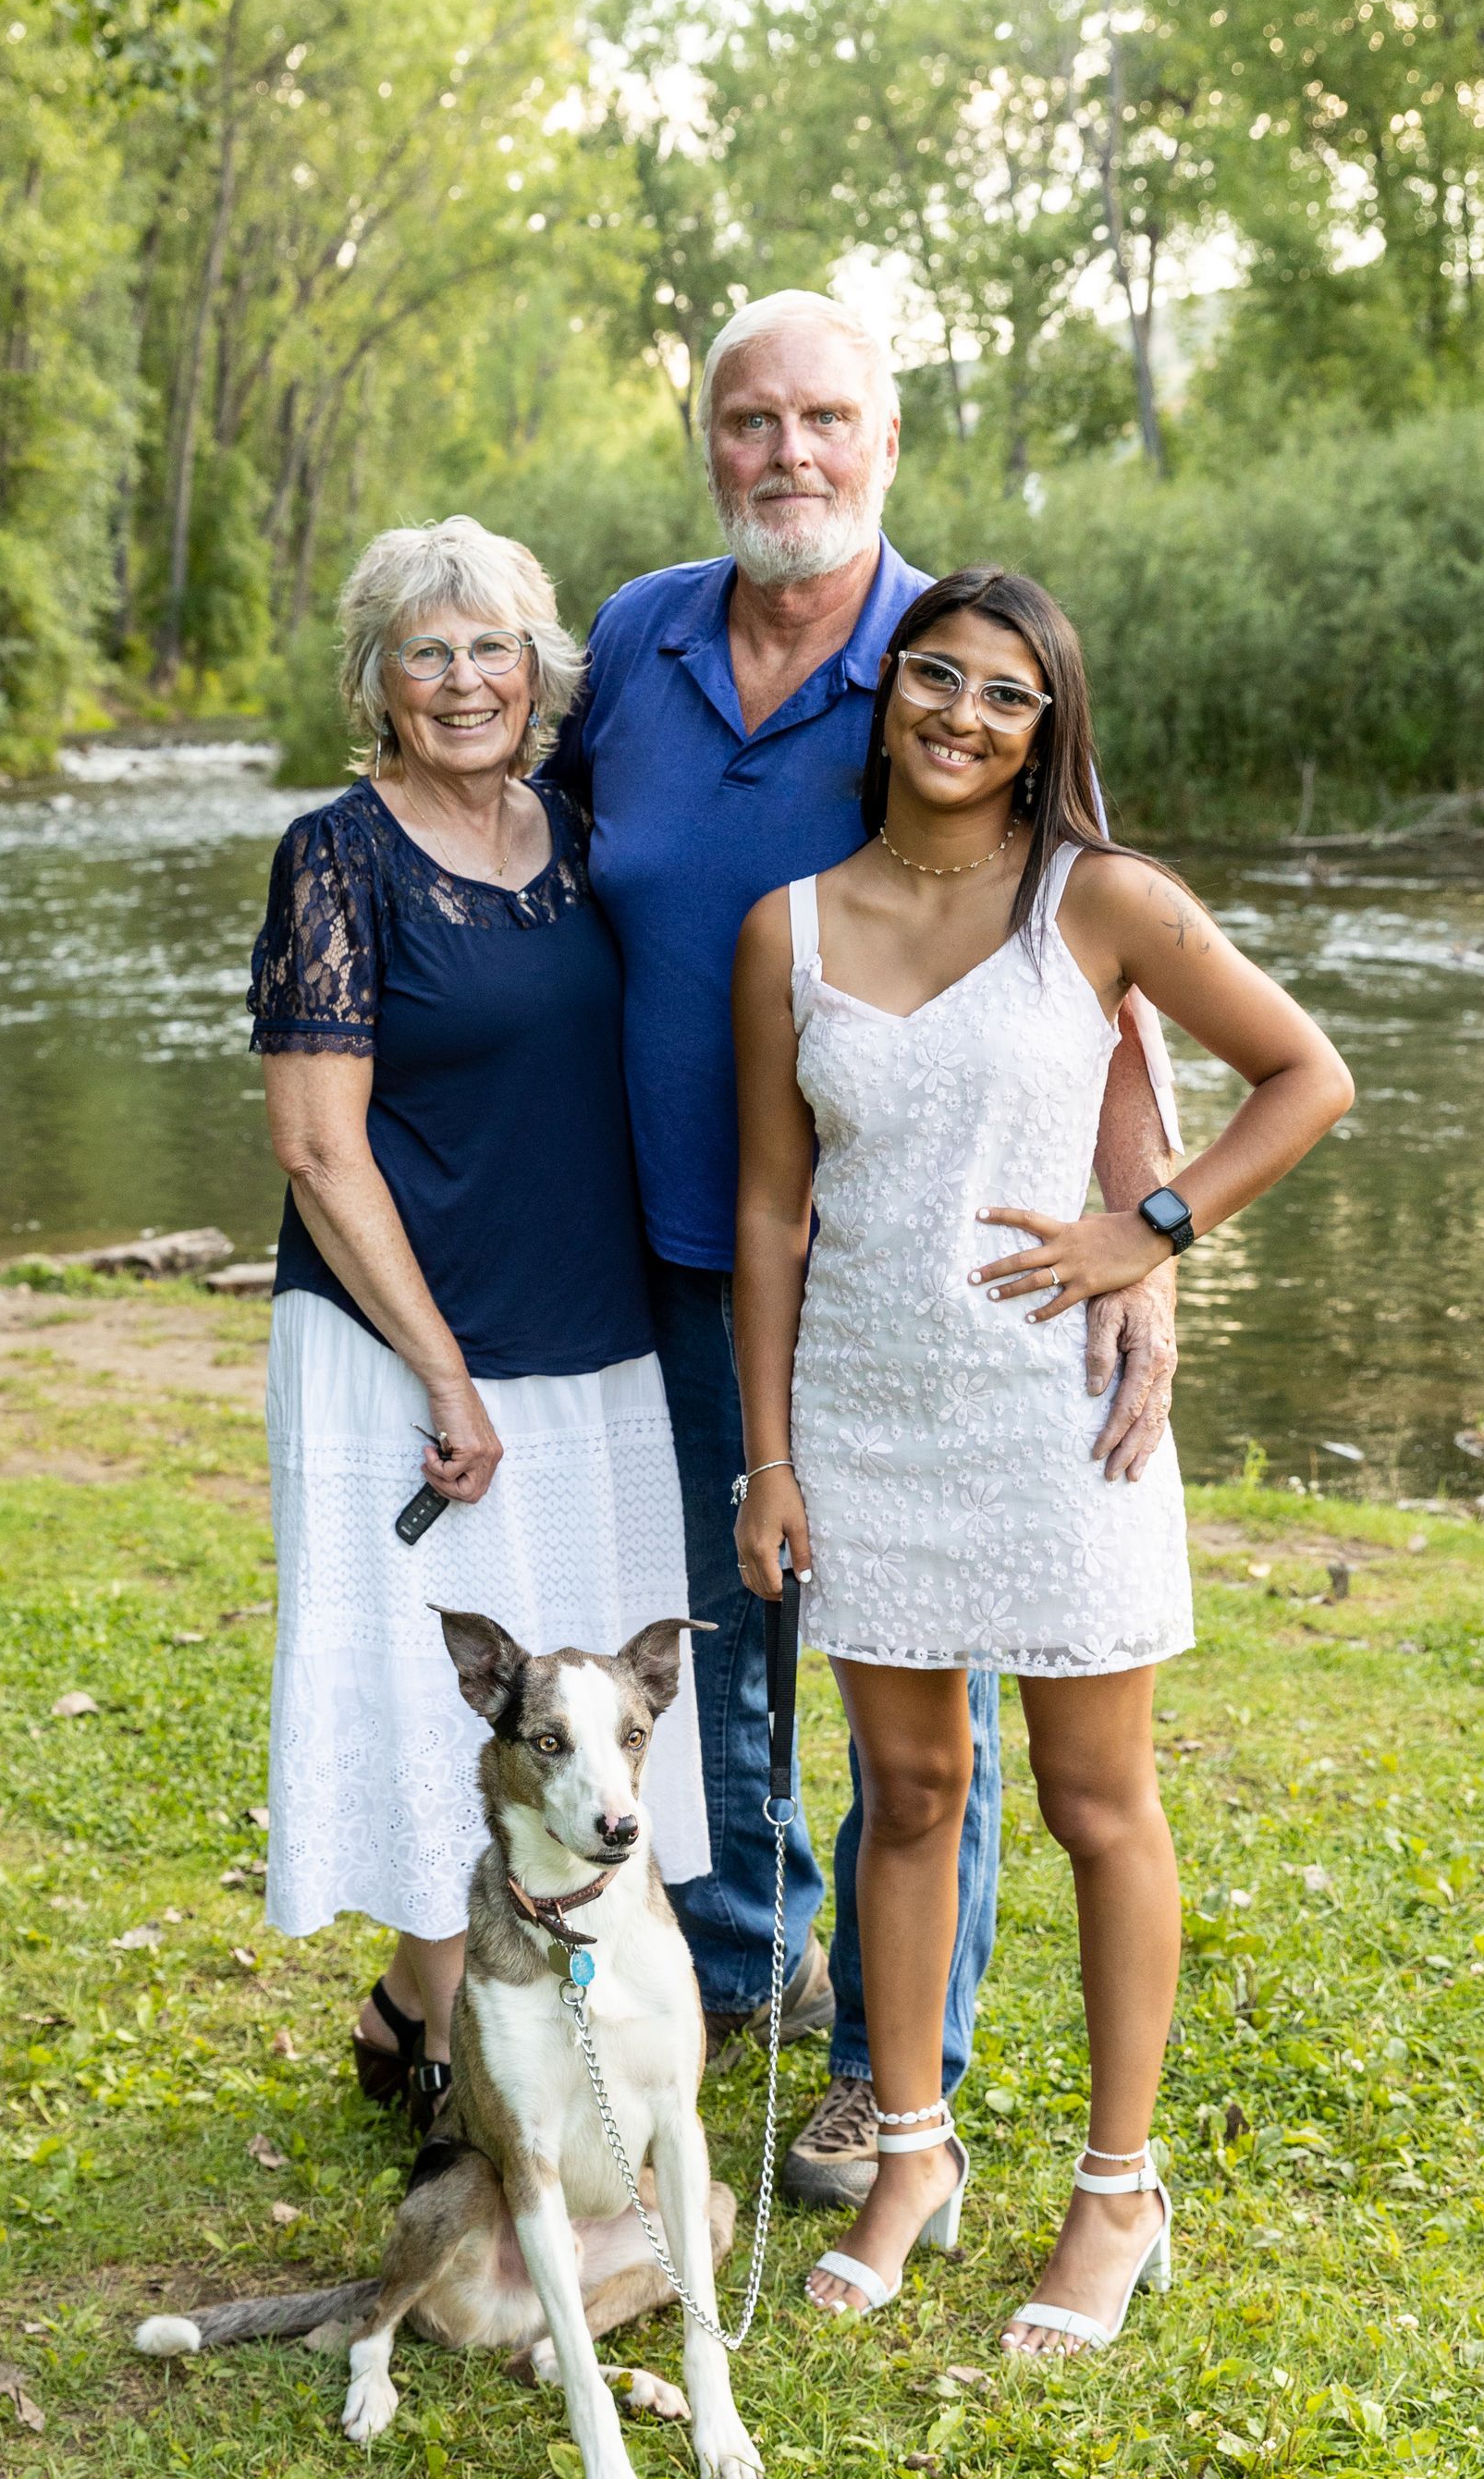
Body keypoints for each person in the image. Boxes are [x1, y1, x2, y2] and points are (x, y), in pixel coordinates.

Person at [546, 289, 1184, 2208]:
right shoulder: (639, 636)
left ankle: (890, 2084)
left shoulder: (949, 661)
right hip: (679, 1239)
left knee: (928, 1701)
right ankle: (750, 1957)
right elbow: (548, 869)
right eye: (752, 420)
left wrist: (1146, 1243)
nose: (788, 453)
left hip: (912, 1282)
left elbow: (1105, 987)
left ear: (886, 441)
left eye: (825, 418)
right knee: (723, 1632)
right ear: (708, 442)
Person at [732, 565, 1354, 2350]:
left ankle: (1118, 2190)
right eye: (938, 677)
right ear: (890, 693)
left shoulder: (1102, 901)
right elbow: (772, 1211)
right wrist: (770, 1458)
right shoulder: (787, 927)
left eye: (1008, 695)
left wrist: (1147, 1229)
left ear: (1045, 727)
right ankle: (911, 2151)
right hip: (864, 1407)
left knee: (1094, 1803)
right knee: (908, 1792)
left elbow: (1306, 1076)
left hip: (1051, 1420)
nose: (964, 715)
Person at [247, 515, 709, 2132]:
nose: (462, 681)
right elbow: (318, 1148)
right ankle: (440, 2027)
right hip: (399, 1352)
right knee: (421, 1681)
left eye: (491, 648)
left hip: (594, 1333)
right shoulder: (335, 857)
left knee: (572, 1697)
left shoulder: (580, 835)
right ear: (377, 680)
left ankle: (474, 2000)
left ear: (539, 671)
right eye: (426, 652)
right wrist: (442, 1375)